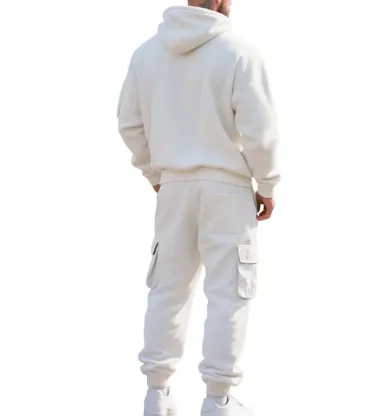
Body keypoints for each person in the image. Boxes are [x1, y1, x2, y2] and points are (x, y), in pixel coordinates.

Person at [117, 1, 280, 414]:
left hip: (173, 187)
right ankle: (218, 400)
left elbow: (129, 124)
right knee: (229, 292)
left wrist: (155, 173)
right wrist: (267, 184)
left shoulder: (147, 54)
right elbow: (260, 131)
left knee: (168, 289)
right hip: (228, 188)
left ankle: (157, 394)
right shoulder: (239, 53)